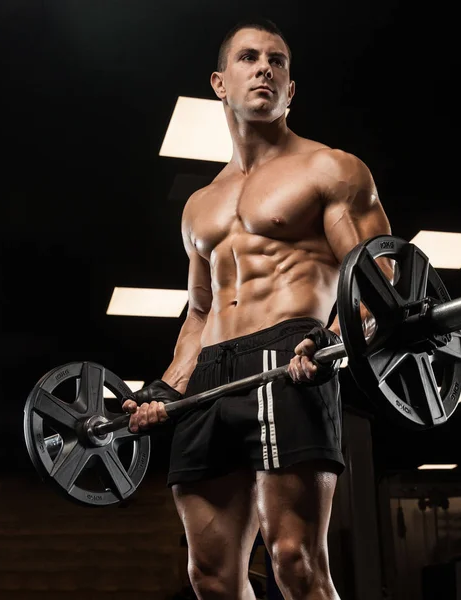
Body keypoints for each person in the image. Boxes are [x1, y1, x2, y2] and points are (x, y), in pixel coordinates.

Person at [123, 17, 392, 600]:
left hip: (290, 355)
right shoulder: (200, 204)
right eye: (248, 58)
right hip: (212, 372)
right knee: (212, 576)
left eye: (277, 60)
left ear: (290, 89)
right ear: (220, 82)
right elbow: (199, 314)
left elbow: (378, 286)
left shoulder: (332, 169)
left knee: (294, 560)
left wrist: (333, 344)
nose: (264, 67)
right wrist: (165, 390)